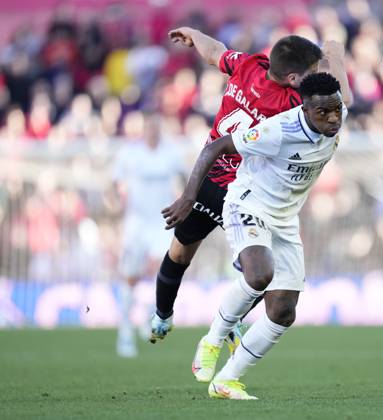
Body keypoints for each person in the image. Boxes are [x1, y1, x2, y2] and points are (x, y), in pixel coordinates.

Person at [162, 72, 348, 399]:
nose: (334, 118)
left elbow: (341, 85)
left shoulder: (337, 110)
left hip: (285, 218)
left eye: (336, 109)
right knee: (260, 273)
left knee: (283, 311)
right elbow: (215, 148)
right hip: (248, 202)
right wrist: (189, 197)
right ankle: (213, 340)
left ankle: (227, 380)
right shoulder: (278, 130)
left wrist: (334, 49)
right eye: (324, 113)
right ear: (304, 109)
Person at [113, 113, 186, 358]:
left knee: (159, 270)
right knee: (130, 276)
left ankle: (146, 316)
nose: (153, 131)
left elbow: (185, 178)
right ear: (144, 129)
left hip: (161, 222)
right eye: (149, 127)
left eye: (156, 126)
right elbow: (114, 183)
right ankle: (125, 331)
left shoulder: (171, 152)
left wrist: (185, 203)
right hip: (136, 222)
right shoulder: (129, 153)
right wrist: (115, 203)